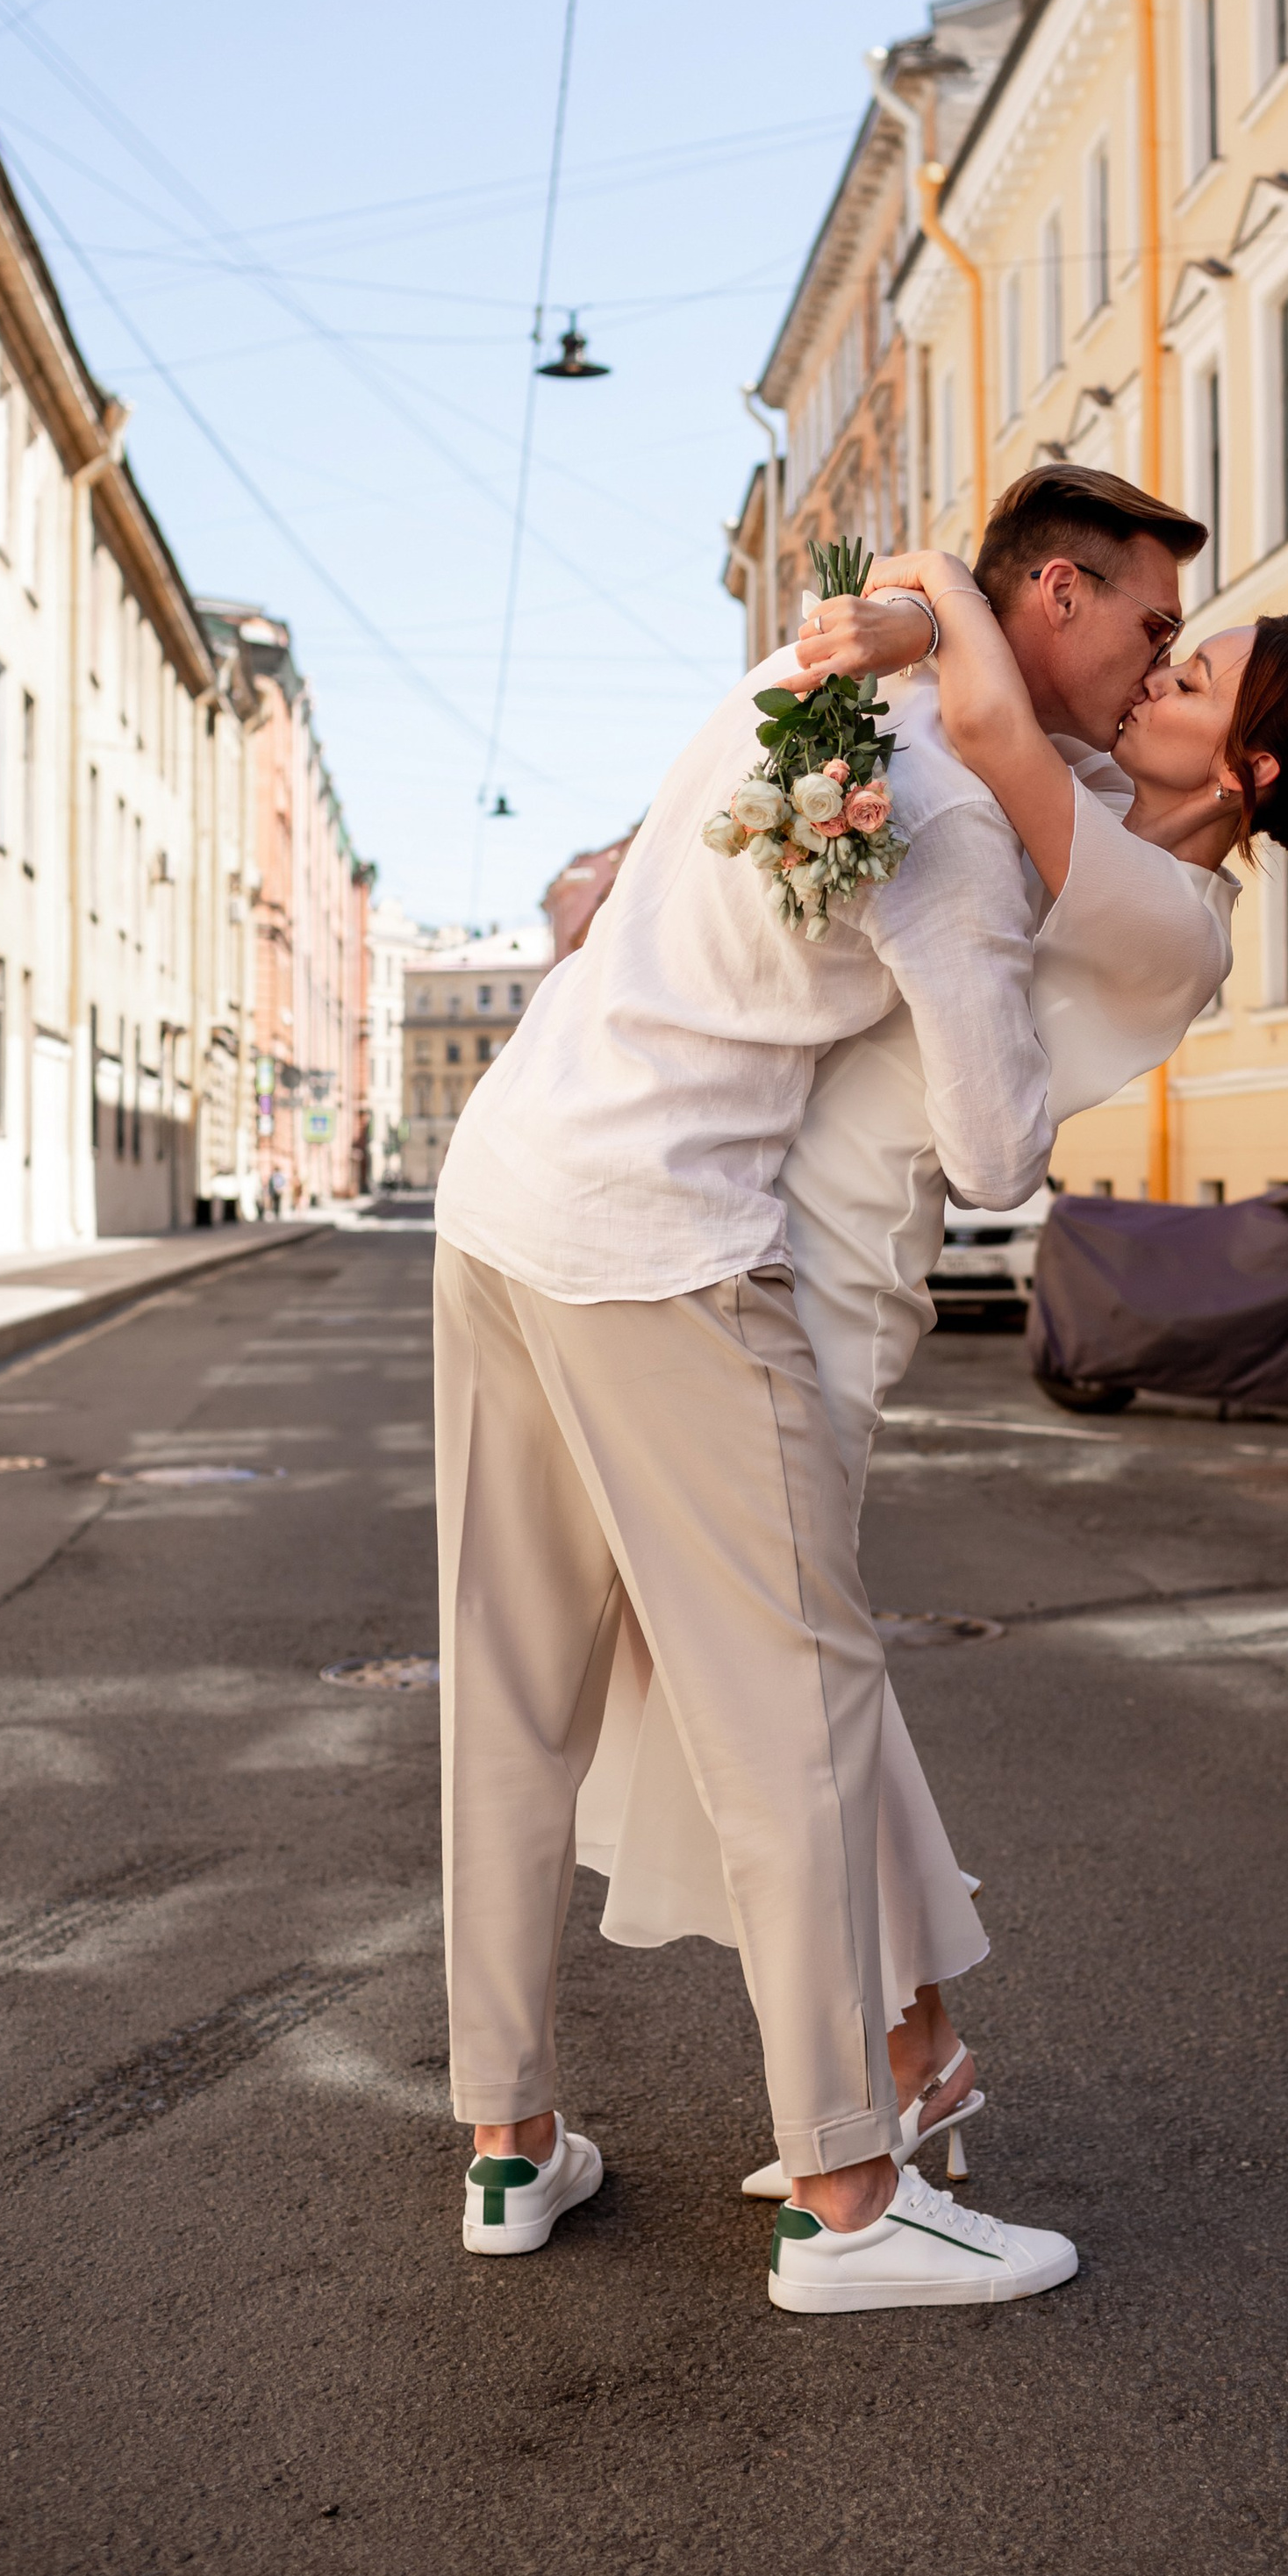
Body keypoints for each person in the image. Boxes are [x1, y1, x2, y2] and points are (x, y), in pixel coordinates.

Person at [576, 468, 1288, 2199]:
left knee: (777, 1667)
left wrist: (931, 591)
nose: (1156, 673)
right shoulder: (1106, 806)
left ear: (1246, 774)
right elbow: (988, 691)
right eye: (1164, 645)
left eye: (1190, 674)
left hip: (841, 1253)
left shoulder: (1165, 913)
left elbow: (989, 718)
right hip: (773, 1206)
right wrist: (907, 604)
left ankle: (909, 2048)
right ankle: (906, 2045)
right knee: (769, 1659)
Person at [429, 574, 1089, 2314]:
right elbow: (996, 1155)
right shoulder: (958, 828)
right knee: (797, 1712)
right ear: (1053, 601)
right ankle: (849, 2196)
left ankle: (509, 2146)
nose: (1156, 659)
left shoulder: (791, 681)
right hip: (660, 1241)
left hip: (500, 1179)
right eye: (1151, 627)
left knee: (510, 1693)